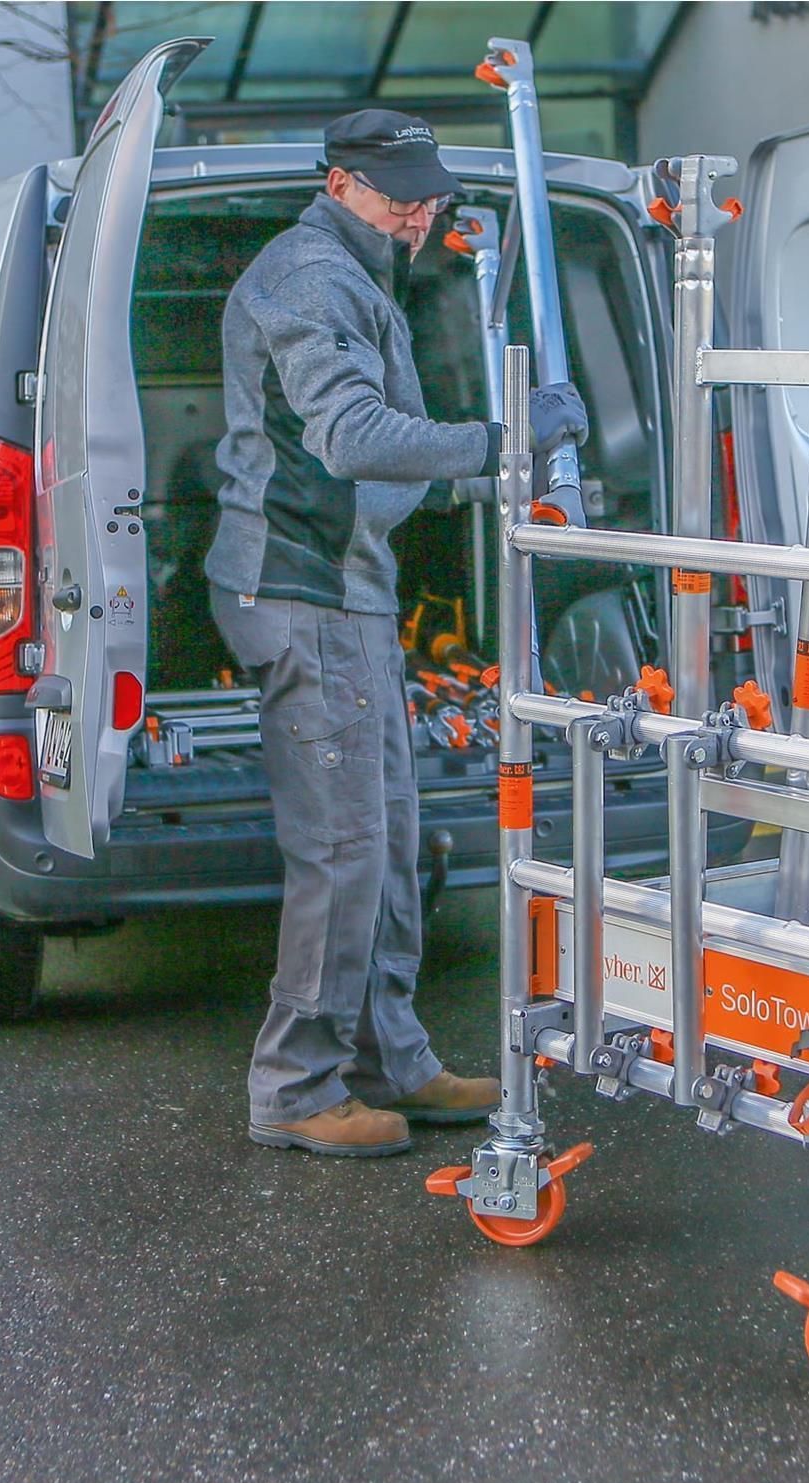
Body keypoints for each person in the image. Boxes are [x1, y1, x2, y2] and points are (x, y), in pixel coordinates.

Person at [205, 109, 589, 1157]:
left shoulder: (360, 272)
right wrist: (505, 441)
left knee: (389, 838)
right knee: (342, 850)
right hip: (302, 587)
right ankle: (294, 1086)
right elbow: (349, 438)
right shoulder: (311, 278)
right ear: (339, 184)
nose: (419, 216)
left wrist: (482, 470)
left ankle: (390, 1061)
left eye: (430, 197)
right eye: (400, 197)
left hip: (349, 587)